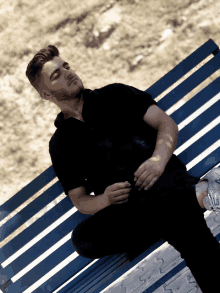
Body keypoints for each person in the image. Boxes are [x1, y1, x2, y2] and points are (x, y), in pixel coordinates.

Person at [26, 45, 219, 292]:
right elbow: (80, 200)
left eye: (66, 66)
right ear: (45, 94)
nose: (68, 73)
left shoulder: (115, 95)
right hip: (131, 211)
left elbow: (165, 123)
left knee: (192, 241)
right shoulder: (60, 144)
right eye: (56, 75)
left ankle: (188, 199)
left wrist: (157, 161)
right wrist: (105, 199)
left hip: (161, 179)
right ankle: (198, 195)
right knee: (83, 240)